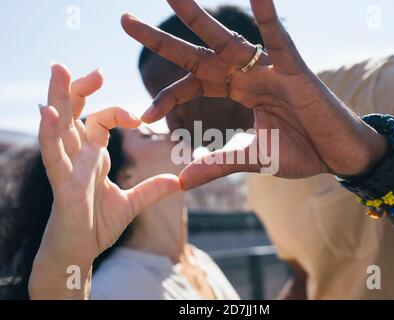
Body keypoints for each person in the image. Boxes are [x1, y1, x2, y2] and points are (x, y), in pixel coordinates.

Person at [120, 0, 394, 295]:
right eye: (159, 103)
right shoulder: (256, 170)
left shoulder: (386, 89)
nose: (170, 121)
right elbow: (307, 277)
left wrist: (376, 165)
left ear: (228, 64)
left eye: (177, 94)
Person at [0, 64, 238, 300]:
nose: (171, 132)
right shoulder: (119, 286)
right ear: (126, 177)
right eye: (147, 135)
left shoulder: (197, 259)